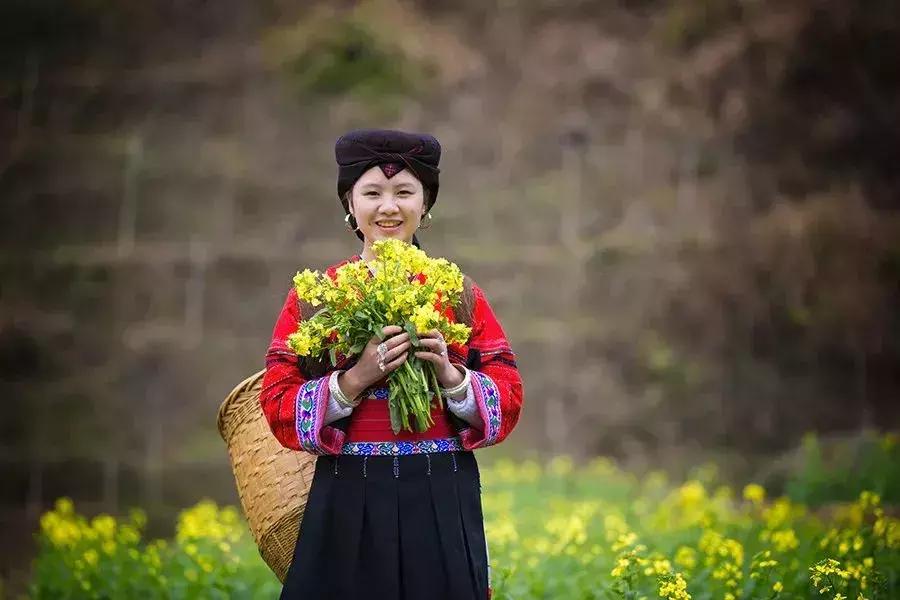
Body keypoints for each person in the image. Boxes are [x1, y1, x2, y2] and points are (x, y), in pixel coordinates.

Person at [259, 128, 524, 600]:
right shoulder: (318, 299)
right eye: (372, 193)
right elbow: (277, 400)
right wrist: (354, 379)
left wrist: (450, 376)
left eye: (404, 192)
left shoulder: (458, 294)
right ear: (349, 202)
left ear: (426, 203)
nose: (388, 207)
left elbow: (507, 396)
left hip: (441, 494)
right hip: (348, 496)